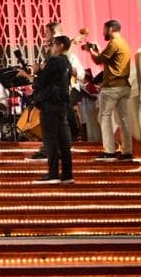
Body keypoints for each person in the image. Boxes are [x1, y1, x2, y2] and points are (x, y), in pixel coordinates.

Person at [85, 19, 133, 161]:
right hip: (124, 86)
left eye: (104, 29)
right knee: (123, 119)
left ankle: (109, 151)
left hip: (112, 87)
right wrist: (97, 51)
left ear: (111, 29)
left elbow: (98, 60)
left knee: (104, 117)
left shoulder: (114, 43)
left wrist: (90, 51)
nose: (103, 32)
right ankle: (127, 152)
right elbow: (108, 61)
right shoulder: (123, 43)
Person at [32, 35, 74, 184]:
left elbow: (41, 83)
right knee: (63, 141)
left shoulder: (54, 61)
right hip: (62, 105)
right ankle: (67, 175)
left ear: (61, 45)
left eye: (53, 44)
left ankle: (53, 174)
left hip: (50, 105)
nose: (51, 47)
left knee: (51, 140)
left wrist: (35, 72)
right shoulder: (67, 62)